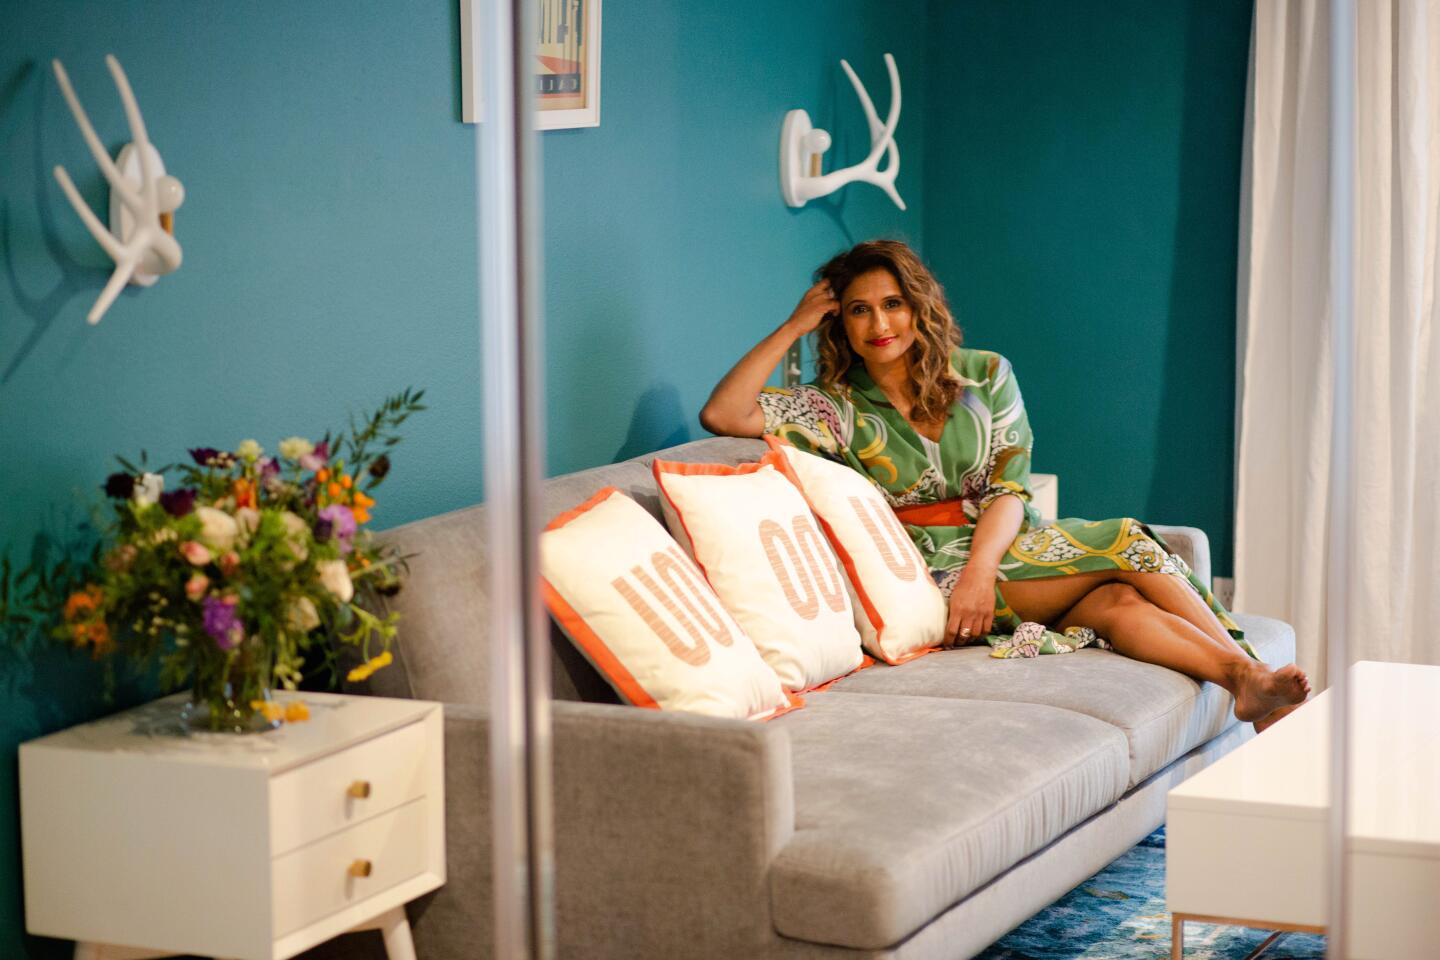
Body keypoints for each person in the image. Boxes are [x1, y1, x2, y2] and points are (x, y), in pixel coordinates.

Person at [699, 239, 1309, 731]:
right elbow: (724, 415)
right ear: (839, 322)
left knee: (1117, 604)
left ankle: (1240, 680)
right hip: (926, 569)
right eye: (859, 309)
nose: (879, 323)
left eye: (892, 303)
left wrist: (982, 572)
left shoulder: (986, 375)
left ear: (919, 306)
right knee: (1127, 539)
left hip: (1006, 546)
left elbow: (1009, 488)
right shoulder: (832, 407)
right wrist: (793, 324)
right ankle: (1255, 681)